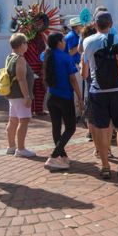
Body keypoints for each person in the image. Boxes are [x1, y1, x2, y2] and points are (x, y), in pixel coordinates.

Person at [82, 11, 118, 179]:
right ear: (111, 24)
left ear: (95, 24)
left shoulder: (87, 41)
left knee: (101, 129)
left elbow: (84, 73)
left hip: (98, 91)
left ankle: (105, 166)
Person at [42, 32, 83, 171]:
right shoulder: (65, 57)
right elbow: (72, 79)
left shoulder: (47, 55)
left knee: (56, 127)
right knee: (71, 127)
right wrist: (80, 97)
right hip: (65, 97)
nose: (65, 43)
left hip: (52, 96)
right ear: (59, 42)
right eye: (63, 40)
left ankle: (62, 155)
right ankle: (54, 156)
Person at [4, 33, 36, 158]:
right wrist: (27, 96)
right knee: (24, 120)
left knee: (13, 120)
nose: (27, 45)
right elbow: (21, 78)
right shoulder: (20, 59)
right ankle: (20, 149)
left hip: (12, 94)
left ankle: (11, 146)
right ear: (21, 44)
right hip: (20, 95)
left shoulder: (10, 57)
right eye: (26, 43)